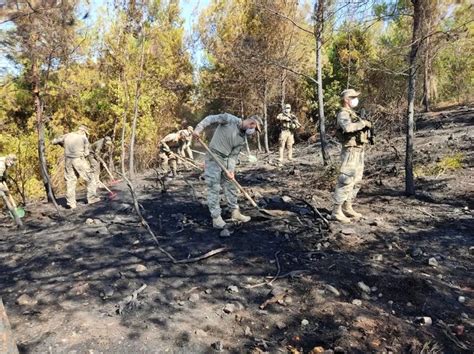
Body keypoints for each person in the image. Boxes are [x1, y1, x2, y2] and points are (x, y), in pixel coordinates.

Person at [193, 113, 262, 229]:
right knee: (213, 186)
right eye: (254, 129)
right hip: (213, 156)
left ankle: (235, 212)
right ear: (252, 123)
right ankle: (216, 218)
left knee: (231, 185)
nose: (253, 132)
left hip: (226, 159)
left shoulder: (242, 138)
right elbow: (210, 118)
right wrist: (198, 129)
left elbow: (233, 156)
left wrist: (231, 171)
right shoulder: (229, 120)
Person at [332, 89, 372, 223]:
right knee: (346, 180)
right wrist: (362, 124)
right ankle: (336, 211)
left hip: (359, 150)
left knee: (357, 181)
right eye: (353, 97)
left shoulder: (353, 114)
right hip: (350, 151)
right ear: (346, 99)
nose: (356, 99)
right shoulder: (343, 113)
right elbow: (347, 128)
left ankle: (347, 206)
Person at [52, 125, 99, 209]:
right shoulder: (84, 138)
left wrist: (62, 144)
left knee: (70, 181)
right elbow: (86, 153)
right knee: (90, 177)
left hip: (68, 161)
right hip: (79, 160)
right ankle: (92, 198)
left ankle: (71, 203)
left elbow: (54, 141)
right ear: (84, 131)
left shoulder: (67, 135)